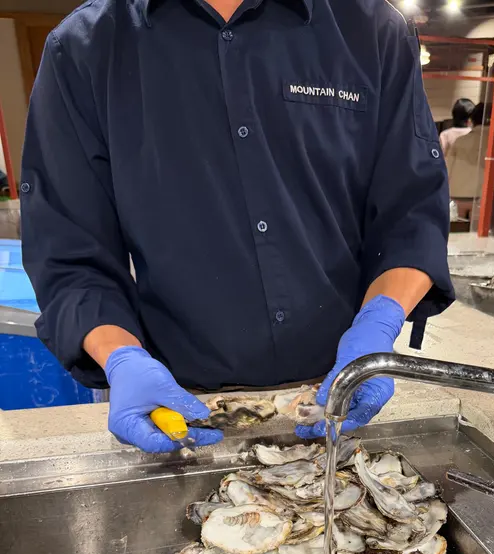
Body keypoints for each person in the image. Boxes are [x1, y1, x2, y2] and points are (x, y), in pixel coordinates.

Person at [21, 0, 453, 453]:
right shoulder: (85, 48)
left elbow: (412, 210)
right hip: (174, 404)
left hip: (339, 391)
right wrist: (121, 357)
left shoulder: (373, 30)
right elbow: (70, 249)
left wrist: (379, 322)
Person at [444, 101, 490, 220]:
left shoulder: (460, 140)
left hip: (457, 193)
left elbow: (447, 168)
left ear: (472, 120)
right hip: (481, 196)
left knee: (457, 228)